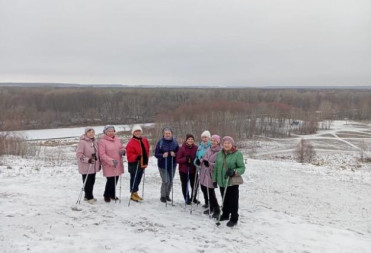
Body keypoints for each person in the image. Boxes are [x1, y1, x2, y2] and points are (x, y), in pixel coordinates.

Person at [213, 136, 245, 227]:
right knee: (224, 199)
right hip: (221, 181)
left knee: (233, 201)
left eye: (228, 143)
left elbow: (242, 168)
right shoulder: (220, 153)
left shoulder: (237, 154)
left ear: (232, 144)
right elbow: (216, 167)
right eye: (225, 143)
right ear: (222, 144)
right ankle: (225, 214)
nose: (226, 145)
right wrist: (214, 179)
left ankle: (234, 218)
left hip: (231, 182)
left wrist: (235, 172)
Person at [98, 125, 125, 203]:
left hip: (118, 163)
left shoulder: (117, 139)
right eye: (109, 131)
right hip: (108, 164)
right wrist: (111, 161)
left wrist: (123, 150)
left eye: (112, 131)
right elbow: (102, 154)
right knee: (110, 180)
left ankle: (112, 194)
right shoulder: (103, 141)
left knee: (116, 179)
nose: (111, 133)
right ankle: (106, 195)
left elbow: (122, 147)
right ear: (105, 132)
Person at [76, 127, 101, 204]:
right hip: (86, 166)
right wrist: (88, 160)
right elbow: (79, 154)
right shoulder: (82, 142)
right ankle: (90, 197)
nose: (91, 133)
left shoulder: (95, 141)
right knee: (87, 182)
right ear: (86, 133)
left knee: (92, 182)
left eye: (93, 132)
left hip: (93, 166)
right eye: (89, 132)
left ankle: (87, 196)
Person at [126, 124, 150, 202]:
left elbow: (147, 149)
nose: (137, 132)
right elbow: (129, 154)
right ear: (133, 133)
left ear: (141, 132)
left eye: (139, 131)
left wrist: (146, 157)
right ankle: (133, 194)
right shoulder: (131, 142)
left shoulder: (144, 140)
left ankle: (136, 193)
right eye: (136, 131)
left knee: (139, 178)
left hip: (142, 163)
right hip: (134, 163)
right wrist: (136, 157)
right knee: (134, 179)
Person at [154, 127, 179, 203]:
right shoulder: (160, 142)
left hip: (172, 164)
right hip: (163, 165)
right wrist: (162, 155)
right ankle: (163, 196)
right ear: (163, 134)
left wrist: (174, 154)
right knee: (166, 181)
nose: (167, 135)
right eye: (166, 133)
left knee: (170, 181)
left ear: (171, 134)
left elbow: (179, 152)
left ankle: (167, 195)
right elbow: (156, 154)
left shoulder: (175, 142)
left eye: (169, 133)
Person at [199, 134, 221, 218]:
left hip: (211, 174)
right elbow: (204, 158)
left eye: (215, 141)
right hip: (204, 173)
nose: (213, 142)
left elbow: (219, 164)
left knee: (211, 193)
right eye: (212, 140)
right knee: (205, 190)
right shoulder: (209, 149)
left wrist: (210, 164)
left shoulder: (220, 152)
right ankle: (211, 207)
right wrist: (199, 161)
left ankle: (217, 209)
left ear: (218, 142)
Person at [176, 134, 199, 205]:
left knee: (195, 184)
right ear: (186, 140)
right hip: (184, 170)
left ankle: (193, 198)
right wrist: (185, 159)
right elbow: (177, 160)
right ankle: (187, 198)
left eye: (192, 139)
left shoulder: (196, 148)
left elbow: (198, 156)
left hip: (193, 169)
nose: (190, 140)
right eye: (189, 139)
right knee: (185, 185)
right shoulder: (182, 148)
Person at [194, 130, 211, 207]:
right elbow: (197, 157)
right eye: (203, 137)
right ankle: (206, 202)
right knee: (203, 187)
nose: (204, 139)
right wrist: (196, 162)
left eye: (206, 137)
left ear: (209, 138)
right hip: (201, 169)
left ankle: (210, 203)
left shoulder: (211, 146)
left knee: (208, 187)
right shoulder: (200, 146)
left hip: (208, 169)